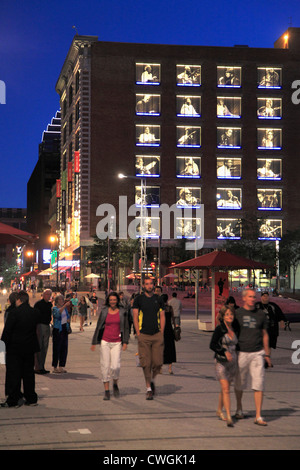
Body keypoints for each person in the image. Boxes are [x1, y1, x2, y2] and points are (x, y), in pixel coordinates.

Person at [234, 289, 271, 426]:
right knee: (240, 383)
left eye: (254, 297)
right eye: (250, 297)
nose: (252, 299)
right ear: (244, 298)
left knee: (258, 383)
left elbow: (265, 334)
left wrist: (267, 354)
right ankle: (239, 408)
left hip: (257, 352)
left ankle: (258, 415)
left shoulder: (261, 314)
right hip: (241, 352)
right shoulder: (238, 313)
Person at [1, 290, 40, 407]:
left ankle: (13, 399)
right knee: (28, 374)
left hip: (15, 348)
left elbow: (7, 331)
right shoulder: (35, 312)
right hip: (29, 348)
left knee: (14, 374)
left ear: (19, 300)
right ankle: (31, 398)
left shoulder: (14, 313)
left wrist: (3, 347)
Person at [91, 292, 129, 400]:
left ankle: (115, 382)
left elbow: (126, 327)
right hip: (105, 341)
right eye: (111, 300)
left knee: (115, 366)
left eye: (114, 300)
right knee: (105, 366)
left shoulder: (122, 311)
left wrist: (125, 341)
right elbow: (98, 326)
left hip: (117, 342)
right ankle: (107, 391)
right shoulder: (104, 311)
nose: (113, 302)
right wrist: (94, 341)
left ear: (117, 300)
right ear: (108, 301)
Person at [132, 278, 165, 400]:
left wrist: (161, 332)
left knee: (157, 363)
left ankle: (151, 380)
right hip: (144, 335)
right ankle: (149, 389)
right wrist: (138, 333)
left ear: (154, 285)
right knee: (146, 363)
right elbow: (135, 316)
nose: (149, 286)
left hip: (156, 334)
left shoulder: (159, 299)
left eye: (151, 284)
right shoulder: (138, 299)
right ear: (143, 285)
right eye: (147, 284)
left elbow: (162, 316)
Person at [210, 305, 238, 427]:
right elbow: (212, 345)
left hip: (233, 364)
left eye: (231, 314)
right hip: (221, 362)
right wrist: (223, 351)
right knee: (226, 389)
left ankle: (219, 410)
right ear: (223, 316)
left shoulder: (236, 328)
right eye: (227, 314)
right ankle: (228, 416)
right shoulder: (219, 329)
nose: (229, 316)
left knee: (225, 388)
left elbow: (239, 345)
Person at [255, 291, 286, 357]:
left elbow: (280, 315)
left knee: (269, 346)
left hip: (271, 330)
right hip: (259, 330)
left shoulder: (273, 306)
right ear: (261, 297)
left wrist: (282, 322)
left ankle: (267, 358)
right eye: (264, 296)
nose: (265, 297)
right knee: (260, 346)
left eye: (267, 296)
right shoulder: (257, 305)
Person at [34, 289, 52, 375]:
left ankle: (42, 366)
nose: (48, 296)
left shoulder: (49, 304)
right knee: (39, 346)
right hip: (40, 326)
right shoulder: (38, 304)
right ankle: (37, 367)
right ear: (43, 295)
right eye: (47, 294)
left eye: (50, 295)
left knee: (45, 347)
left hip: (47, 326)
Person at [51, 294, 71, 374]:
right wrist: (65, 306)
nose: (62, 301)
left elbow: (67, 316)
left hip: (64, 329)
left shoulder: (65, 309)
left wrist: (68, 320)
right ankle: (55, 366)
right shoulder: (55, 308)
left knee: (64, 347)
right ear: (56, 301)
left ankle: (61, 366)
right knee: (56, 348)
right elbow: (58, 314)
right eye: (60, 300)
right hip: (57, 329)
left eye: (63, 300)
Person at [161, 294, 176, 374]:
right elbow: (173, 319)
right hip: (169, 330)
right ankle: (170, 369)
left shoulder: (159, 309)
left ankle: (160, 368)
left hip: (161, 330)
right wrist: (176, 327)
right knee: (170, 348)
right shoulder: (170, 308)